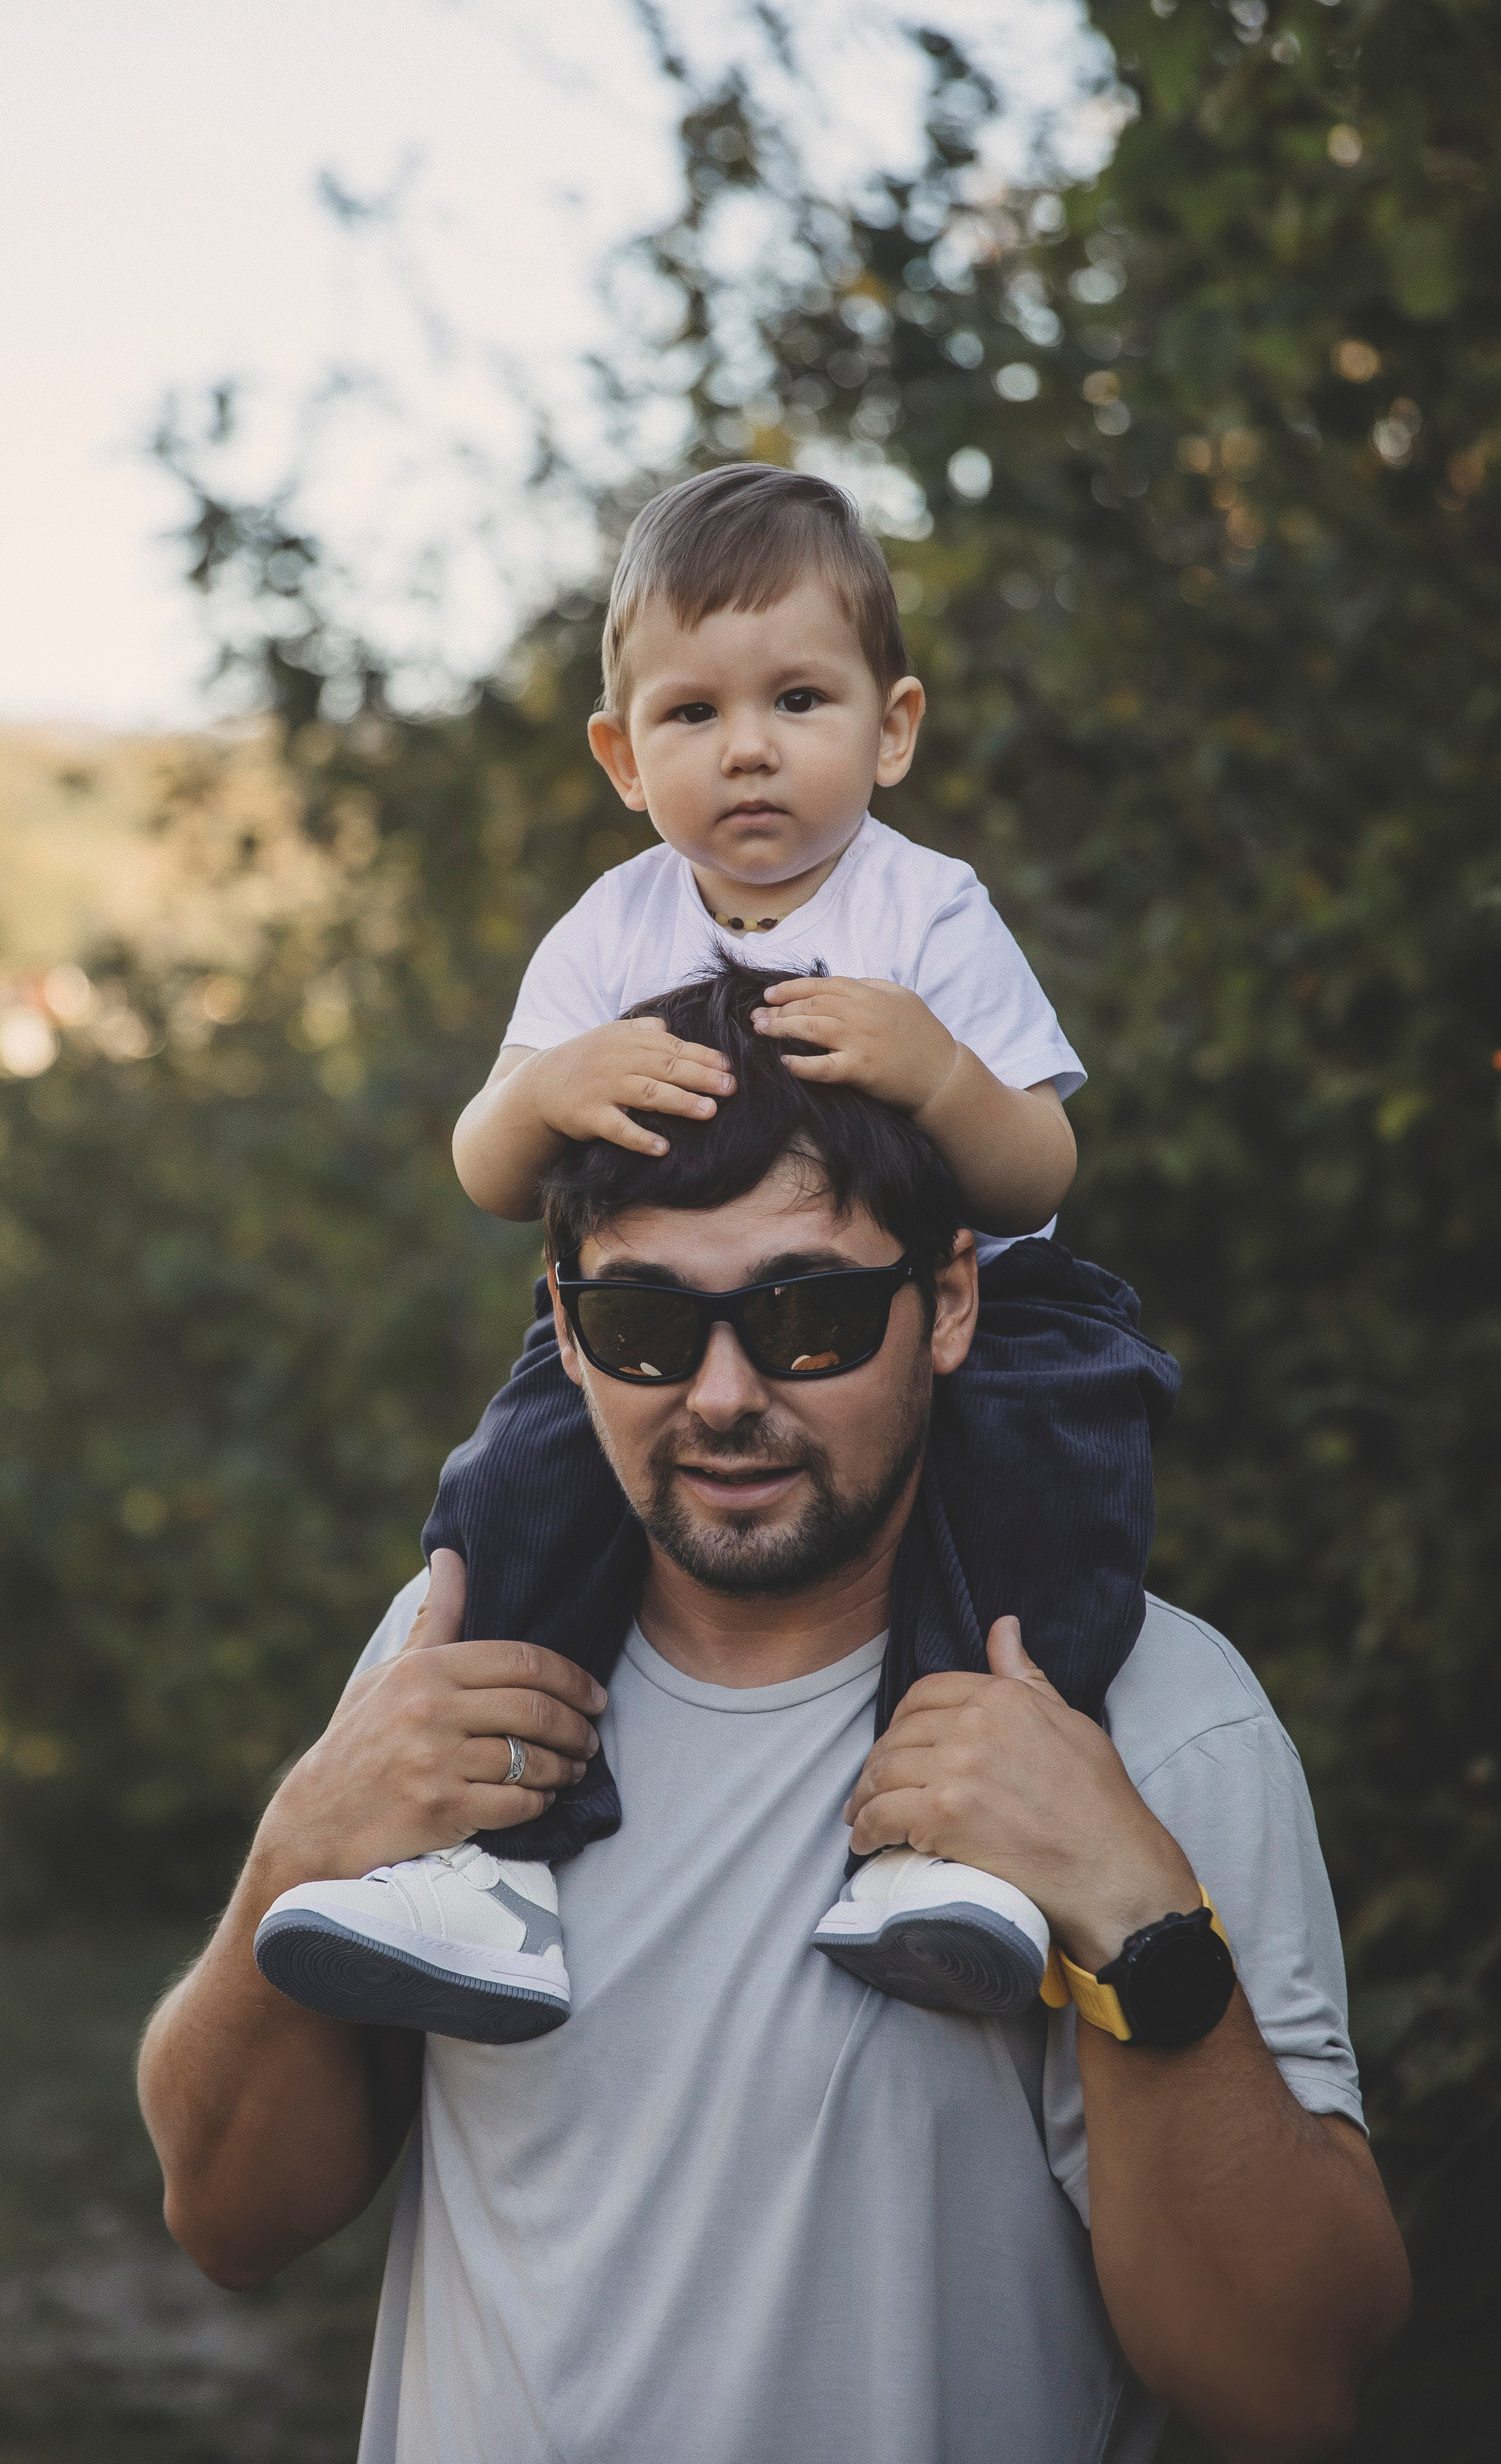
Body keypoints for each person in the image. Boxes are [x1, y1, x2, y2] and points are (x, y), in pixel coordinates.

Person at [138, 984, 1409, 2463]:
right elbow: (231, 2221)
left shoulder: (1151, 1718)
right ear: (561, 1321)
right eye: (641, 1323)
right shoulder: (451, 1665)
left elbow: (1288, 2393)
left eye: (806, 1317)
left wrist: (1140, 1920)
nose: (723, 1396)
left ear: (946, 1304)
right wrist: (291, 1853)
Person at [252, 463, 1179, 2038]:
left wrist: (939, 1073)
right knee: (514, 1484)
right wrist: (546, 1087)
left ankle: (944, 1831)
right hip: (649, 1314)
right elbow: (488, 1168)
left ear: (889, 730)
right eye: (691, 714)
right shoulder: (610, 933)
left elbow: (1037, 1170)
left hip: (965, 1295)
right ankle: (489, 1865)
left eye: (798, 699)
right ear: (623, 755)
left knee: (1059, 1459)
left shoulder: (927, 916)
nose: (746, 748)